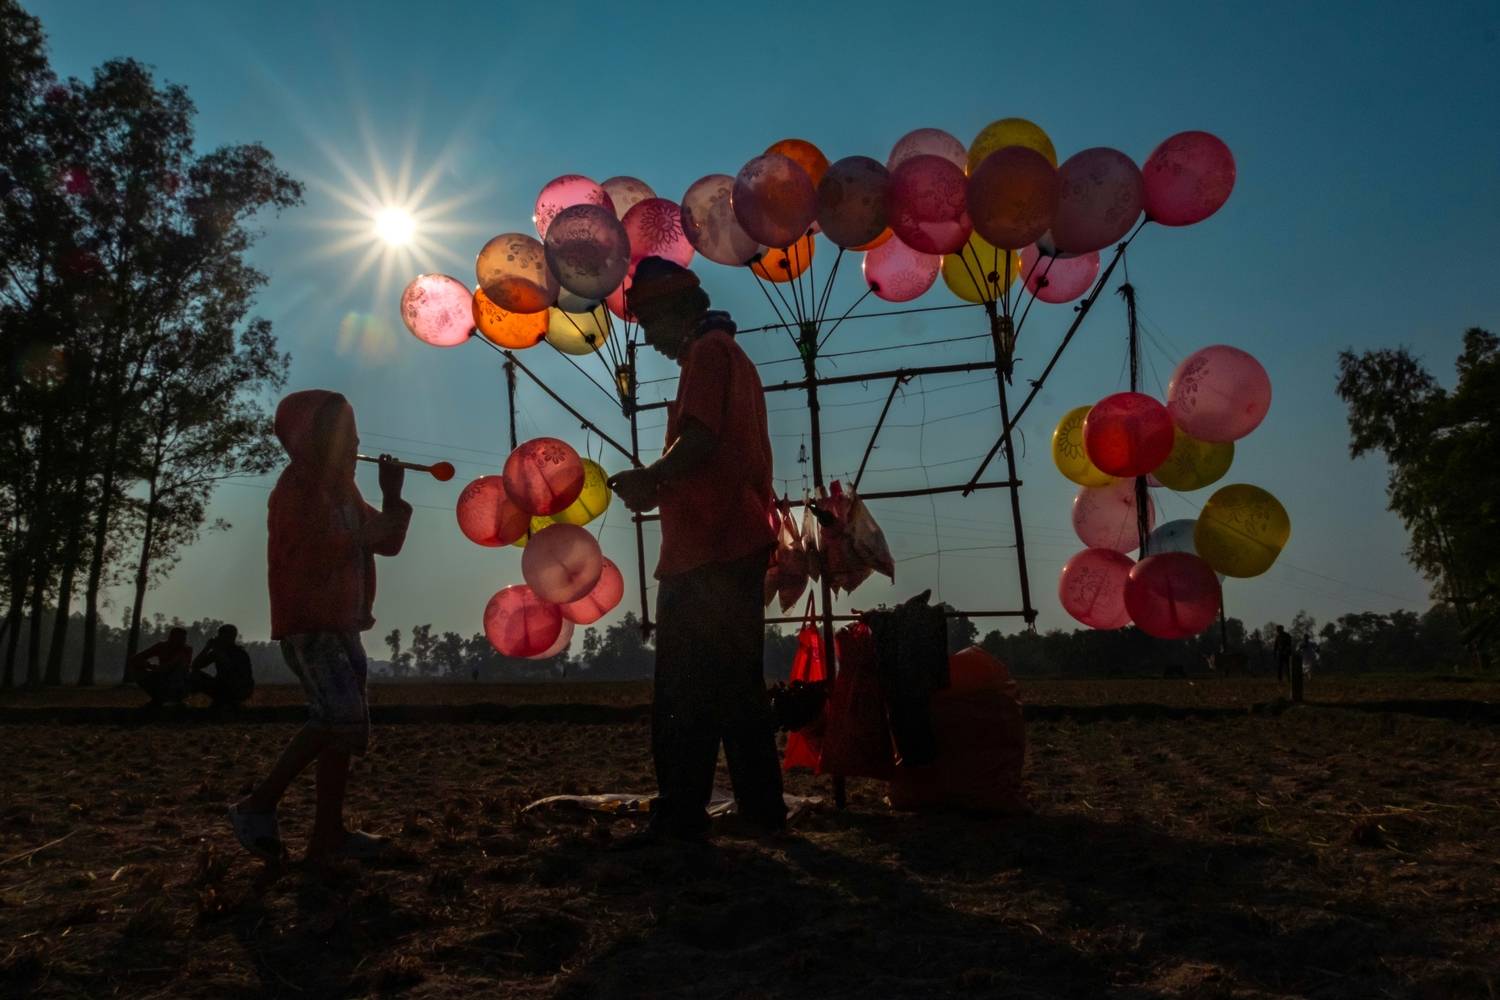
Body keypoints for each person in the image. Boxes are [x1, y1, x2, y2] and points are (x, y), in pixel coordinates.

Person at [607, 256, 785, 842]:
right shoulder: (729, 356)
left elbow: (701, 440)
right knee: (735, 688)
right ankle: (761, 809)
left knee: (684, 691)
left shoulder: (708, 356)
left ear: (680, 311)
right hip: (734, 540)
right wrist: (659, 482)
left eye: (651, 323)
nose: (649, 339)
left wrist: (651, 478)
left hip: (708, 549)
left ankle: (682, 812)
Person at [228, 390, 410, 864]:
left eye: (354, 435)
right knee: (338, 717)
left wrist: (392, 500)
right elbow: (350, 542)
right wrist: (388, 501)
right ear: (309, 441)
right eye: (342, 436)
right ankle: (257, 804)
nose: (353, 445)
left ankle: (327, 835)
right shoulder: (297, 492)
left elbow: (385, 543)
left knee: (342, 731)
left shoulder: (343, 492)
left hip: (343, 623)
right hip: (309, 624)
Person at [188, 624, 255, 710]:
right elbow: (195, 666)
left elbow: (232, 671)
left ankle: (227, 701)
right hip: (224, 686)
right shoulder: (218, 651)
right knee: (194, 675)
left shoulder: (240, 653)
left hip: (239, 688)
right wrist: (207, 648)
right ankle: (224, 701)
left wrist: (217, 652)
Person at [128, 627, 193, 708]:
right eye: (181, 638)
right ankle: (158, 699)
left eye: (184, 638)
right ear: (172, 637)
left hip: (177, 680)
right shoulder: (161, 646)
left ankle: (174, 699)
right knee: (136, 669)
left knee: (180, 673)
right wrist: (149, 665)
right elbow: (136, 658)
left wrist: (155, 668)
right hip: (161, 676)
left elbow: (174, 667)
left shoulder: (186, 650)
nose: (183, 640)